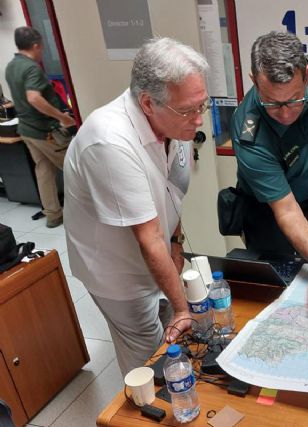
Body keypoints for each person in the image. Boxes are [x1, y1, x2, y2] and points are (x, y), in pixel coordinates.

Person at [64, 37, 209, 376]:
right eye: (188, 110)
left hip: (155, 249)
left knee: (172, 336)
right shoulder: (110, 141)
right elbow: (148, 238)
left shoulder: (175, 125)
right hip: (117, 272)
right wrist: (181, 308)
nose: (198, 120)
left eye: (202, 106)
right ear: (148, 103)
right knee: (149, 361)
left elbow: (173, 193)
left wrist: (176, 246)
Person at [230, 31, 308, 315]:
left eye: (295, 100)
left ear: (306, 74)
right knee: (277, 298)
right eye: (273, 104)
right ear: (254, 81)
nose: (286, 113)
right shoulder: (247, 132)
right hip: (269, 212)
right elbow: (286, 209)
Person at [5, 26, 75, 228]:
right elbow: (34, 98)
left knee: (43, 170)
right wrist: (63, 117)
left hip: (26, 130)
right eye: (41, 47)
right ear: (36, 45)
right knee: (75, 167)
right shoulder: (31, 68)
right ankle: (94, 210)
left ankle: (53, 214)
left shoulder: (12, 66)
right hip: (44, 132)